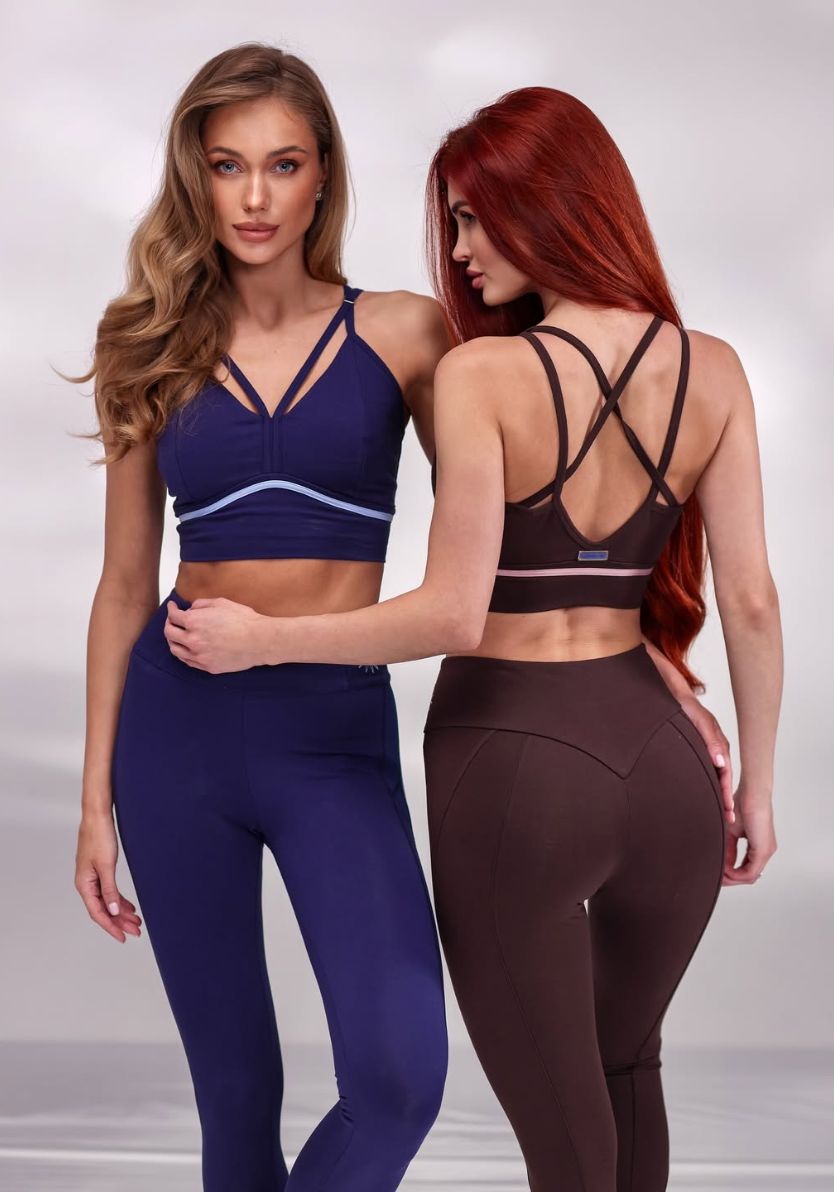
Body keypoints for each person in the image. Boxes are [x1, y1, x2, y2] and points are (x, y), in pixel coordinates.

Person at [167, 87, 782, 1192]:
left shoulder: (484, 374)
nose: (458, 249)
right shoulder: (717, 368)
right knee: (628, 1070)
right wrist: (759, 787)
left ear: (552, 204)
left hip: (516, 768)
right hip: (672, 775)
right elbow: (752, 604)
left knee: (564, 1140)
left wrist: (266, 639)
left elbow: (455, 613)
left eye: (473, 217)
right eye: (452, 220)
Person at [70, 44, 452, 1192]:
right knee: (236, 1103)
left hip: (334, 731)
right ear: (195, 171)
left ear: (323, 173)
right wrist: (93, 801)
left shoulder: (407, 333)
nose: (253, 196)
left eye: (282, 164)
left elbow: (488, 548)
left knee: (398, 1080)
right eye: (227, 164)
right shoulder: (144, 339)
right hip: (175, 734)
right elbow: (124, 584)